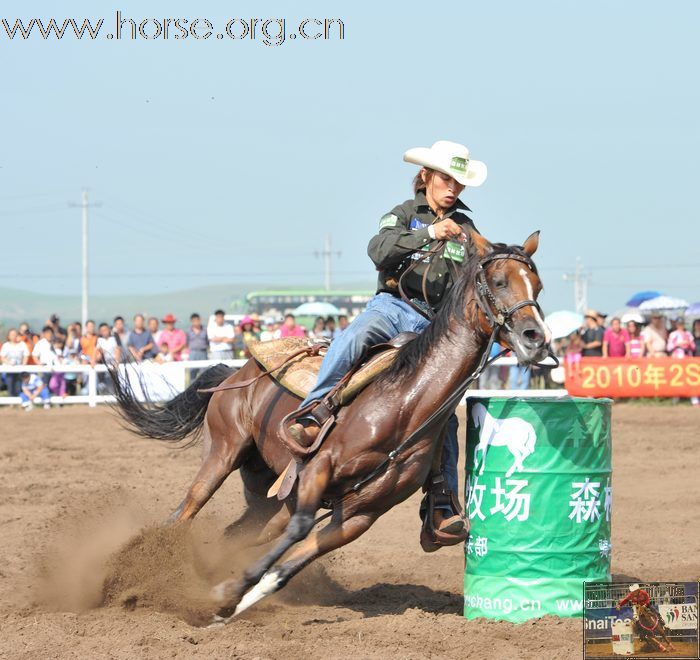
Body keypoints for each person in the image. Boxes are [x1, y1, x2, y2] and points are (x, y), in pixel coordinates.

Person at [287, 139, 488, 549]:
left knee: (444, 409)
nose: (453, 189)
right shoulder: (402, 215)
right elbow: (379, 251)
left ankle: (440, 505)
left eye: (459, 183)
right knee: (357, 336)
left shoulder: (468, 230)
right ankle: (314, 411)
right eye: (446, 179)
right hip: (395, 306)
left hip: (436, 329)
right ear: (427, 177)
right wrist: (430, 232)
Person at [1, 329, 30, 396]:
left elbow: (26, 355)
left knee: (18, 385)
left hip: (19, 369)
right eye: (12, 334)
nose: (14, 336)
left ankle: (19, 400)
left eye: (15, 334)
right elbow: (2, 357)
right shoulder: (6, 345)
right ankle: (11, 401)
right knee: (10, 384)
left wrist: (23, 364)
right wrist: (9, 363)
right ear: (8, 336)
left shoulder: (22, 344)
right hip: (8, 369)